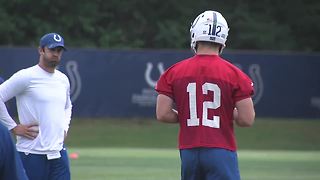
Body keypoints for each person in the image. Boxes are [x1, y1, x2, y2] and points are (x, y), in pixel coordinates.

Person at [155, 10, 255, 180]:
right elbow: (246, 119)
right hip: (221, 149)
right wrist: (220, 113)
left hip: (188, 151)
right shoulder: (235, 74)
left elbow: (163, 114)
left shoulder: (173, 72)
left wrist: (190, 113)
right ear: (223, 39)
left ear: (195, 34)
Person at [0, 32, 73, 180]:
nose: (56, 54)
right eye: (52, 50)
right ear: (41, 50)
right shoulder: (26, 76)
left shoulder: (63, 79)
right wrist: (13, 127)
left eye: (59, 51)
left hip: (58, 153)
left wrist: (65, 128)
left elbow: (67, 106)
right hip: (31, 153)